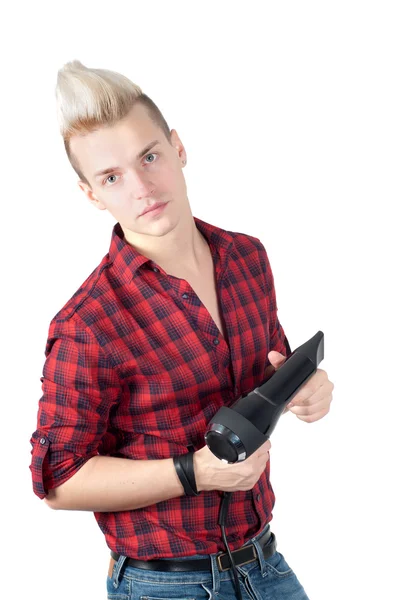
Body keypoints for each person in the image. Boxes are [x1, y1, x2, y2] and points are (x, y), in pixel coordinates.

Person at [29, 60, 334, 600]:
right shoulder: (88, 325)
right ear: (92, 195)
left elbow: (267, 376)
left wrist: (304, 389)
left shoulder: (247, 258)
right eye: (112, 177)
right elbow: (58, 480)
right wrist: (194, 472)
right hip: (163, 585)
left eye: (149, 157)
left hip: (265, 563)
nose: (143, 187)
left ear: (178, 148)